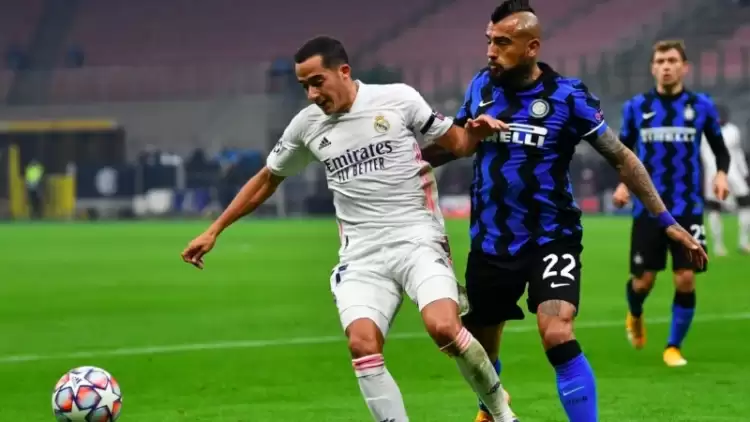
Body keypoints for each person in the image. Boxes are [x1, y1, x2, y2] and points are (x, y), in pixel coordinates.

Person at [180, 36, 517, 422]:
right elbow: (268, 178)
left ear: (343, 71)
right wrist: (215, 229)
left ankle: (501, 414)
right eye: (304, 86)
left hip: (417, 239)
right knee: (362, 345)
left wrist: (475, 133)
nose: (311, 94)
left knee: (444, 328)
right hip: (361, 255)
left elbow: (458, 143)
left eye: (317, 82)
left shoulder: (398, 98)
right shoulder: (306, 126)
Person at [419, 1, 708, 421]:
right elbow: (458, 145)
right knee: (481, 345)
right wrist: (406, 161)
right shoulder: (481, 87)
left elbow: (622, 158)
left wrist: (667, 222)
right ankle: (491, 408)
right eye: (489, 41)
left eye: (503, 42)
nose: (491, 51)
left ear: (532, 47)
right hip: (492, 240)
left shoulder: (568, 96)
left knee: (557, 333)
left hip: (552, 236)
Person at [613, 39, 730, 367]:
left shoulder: (701, 106)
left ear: (684, 67)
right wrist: (623, 184)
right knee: (644, 281)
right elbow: (622, 152)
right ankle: (635, 312)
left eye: (672, 60)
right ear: (653, 68)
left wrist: (722, 175)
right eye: (660, 61)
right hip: (648, 209)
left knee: (686, 277)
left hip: (687, 207)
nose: (666, 66)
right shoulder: (636, 107)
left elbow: (720, 149)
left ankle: (673, 347)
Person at [700, 104, 750, 255]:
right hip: (714, 175)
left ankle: (743, 242)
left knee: (745, 204)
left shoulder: (732, 130)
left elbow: (738, 153)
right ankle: (719, 246)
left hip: (733, 174)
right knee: (715, 208)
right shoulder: (704, 132)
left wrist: (745, 172)